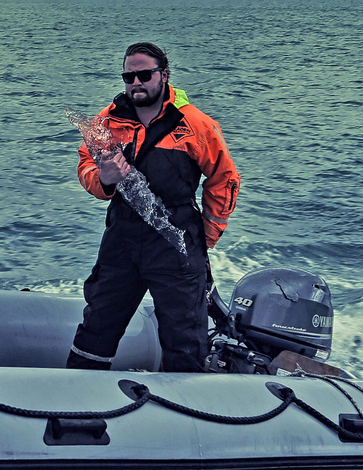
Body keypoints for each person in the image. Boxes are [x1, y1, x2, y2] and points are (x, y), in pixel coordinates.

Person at [68, 42, 239, 373]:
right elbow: (85, 162)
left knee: (185, 340)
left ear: (164, 75)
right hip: (122, 239)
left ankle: (187, 413)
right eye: (128, 76)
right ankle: (75, 409)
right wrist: (103, 178)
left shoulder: (195, 124)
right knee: (96, 327)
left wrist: (208, 235)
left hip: (176, 242)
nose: (136, 83)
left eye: (144, 75)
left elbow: (225, 178)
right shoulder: (108, 119)